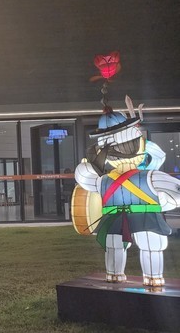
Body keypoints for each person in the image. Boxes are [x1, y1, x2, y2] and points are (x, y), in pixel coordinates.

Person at [74, 98, 180, 288]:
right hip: (134, 216)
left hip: (131, 216)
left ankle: (138, 276)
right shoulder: (148, 176)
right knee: (125, 246)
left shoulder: (106, 180)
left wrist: (165, 201)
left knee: (144, 246)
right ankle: (144, 277)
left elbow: (83, 175)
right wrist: (165, 201)